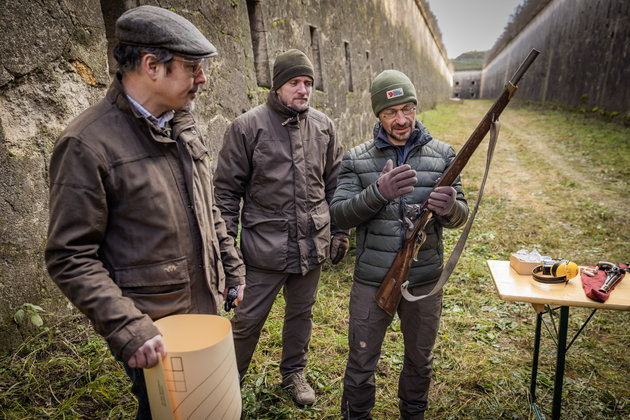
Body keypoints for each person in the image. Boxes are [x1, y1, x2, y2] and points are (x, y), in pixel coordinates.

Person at [44, 5, 245, 419]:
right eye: (193, 67)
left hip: (204, 314)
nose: (203, 79)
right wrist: (129, 329)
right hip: (156, 333)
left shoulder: (183, 125)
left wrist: (232, 266)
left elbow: (207, 207)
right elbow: (69, 257)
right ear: (152, 66)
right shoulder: (86, 144)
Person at [330, 70, 469, 419]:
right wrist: (378, 192)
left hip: (424, 282)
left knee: (420, 361)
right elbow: (340, 215)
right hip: (372, 280)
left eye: (407, 108)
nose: (401, 119)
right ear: (378, 115)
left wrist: (450, 208)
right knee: (361, 361)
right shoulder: (356, 159)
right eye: (391, 112)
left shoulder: (443, 155)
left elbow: (460, 216)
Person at [213, 49, 349, 406]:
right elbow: (226, 194)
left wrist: (340, 231)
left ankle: (293, 373)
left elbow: (337, 186)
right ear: (277, 87)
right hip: (263, 250)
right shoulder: (246, 127)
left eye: (308, 83)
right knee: (245, 322)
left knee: (301, 313)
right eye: (295, 82)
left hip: (312, 246)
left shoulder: (324, 126)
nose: (303, 90)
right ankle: (226, 384)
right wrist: (228, 254)